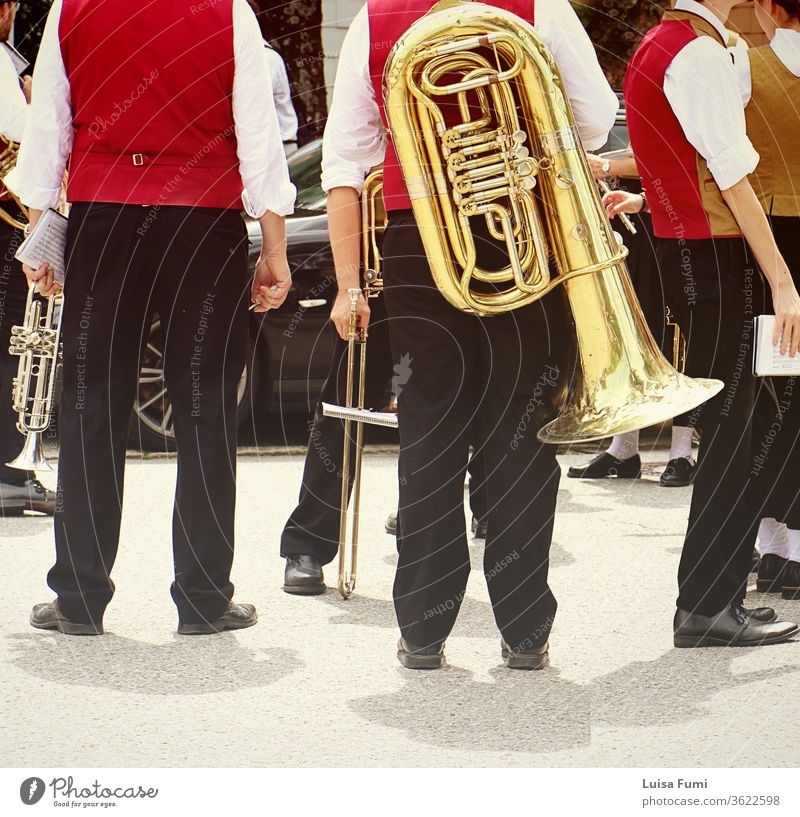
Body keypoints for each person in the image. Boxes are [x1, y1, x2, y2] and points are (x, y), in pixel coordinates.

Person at [323, 0, 618, 669]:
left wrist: (348, 282)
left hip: (416, 242)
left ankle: (423, 631)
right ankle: (523, 629)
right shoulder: (537, 6)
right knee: (522, 422)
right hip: (523, 230)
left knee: (429, 427)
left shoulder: (376, 17)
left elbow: (345, 158)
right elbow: (596, 122)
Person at [8, 0, 295, 635]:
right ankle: (202, 597)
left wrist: (38, 234)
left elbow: (49, 127)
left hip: (103, 212)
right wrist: (274, 247)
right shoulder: (229, 12)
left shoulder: (71, 8)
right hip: (201, 216)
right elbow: (258, 135)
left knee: (89, 404)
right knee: (206, 406)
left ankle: (79, 597)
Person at [609, 0, 800, 647]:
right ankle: (707, 604)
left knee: (732, 428)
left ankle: (710, 598)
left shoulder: (667, 43)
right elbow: (735, 174)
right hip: (717, 256)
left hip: (689, 250)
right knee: (733, 432)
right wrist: (781, 278)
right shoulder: (694, 52)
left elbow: (682, 159)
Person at [568, 150, 698, 488]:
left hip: (668, 215)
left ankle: (682, 451)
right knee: (628, 330)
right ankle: (624, 448)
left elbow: (676, 156)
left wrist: (607, 165)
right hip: (634, 212)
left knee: (675, 333)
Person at [730, 0, 800, 602]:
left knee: (774, 394)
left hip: (773, 240)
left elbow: (718, 163)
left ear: (770, 9)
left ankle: (776, 547)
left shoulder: (745, 65)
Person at [0, 0, 56, 516]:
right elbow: (24, 132)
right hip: (5, 219)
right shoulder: (1, 60)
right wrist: (40, 97)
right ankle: (8, 468)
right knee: (10, 344)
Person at [246, 0, 299, 155]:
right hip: (267, 147)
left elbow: (255, 105)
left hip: (279, 150)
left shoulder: (265, 58)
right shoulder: (253, 55)